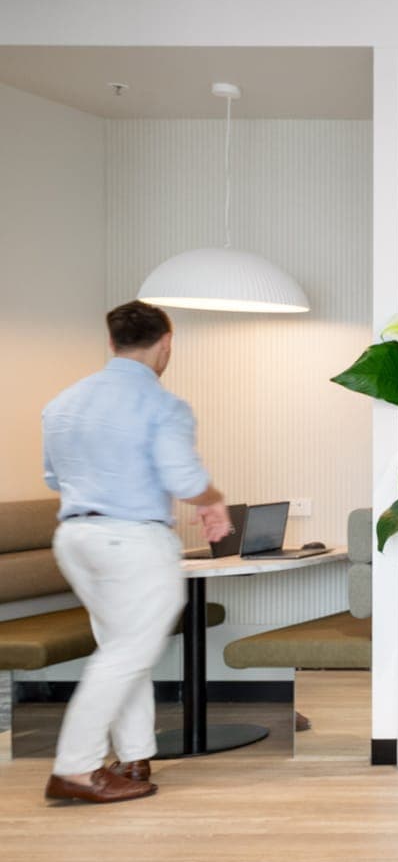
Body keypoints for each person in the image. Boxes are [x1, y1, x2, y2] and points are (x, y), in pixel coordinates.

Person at [39, 301, 232, 805]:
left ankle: (134, 755)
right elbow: (183, 477)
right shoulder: (162, 406)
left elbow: (53, 477)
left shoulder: (62, 403)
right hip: (133, 540)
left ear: (111, 343)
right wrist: (213, 502)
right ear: (166, 344)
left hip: (75, 538)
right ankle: (76, 768)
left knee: (122, 649)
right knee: (128, 652)